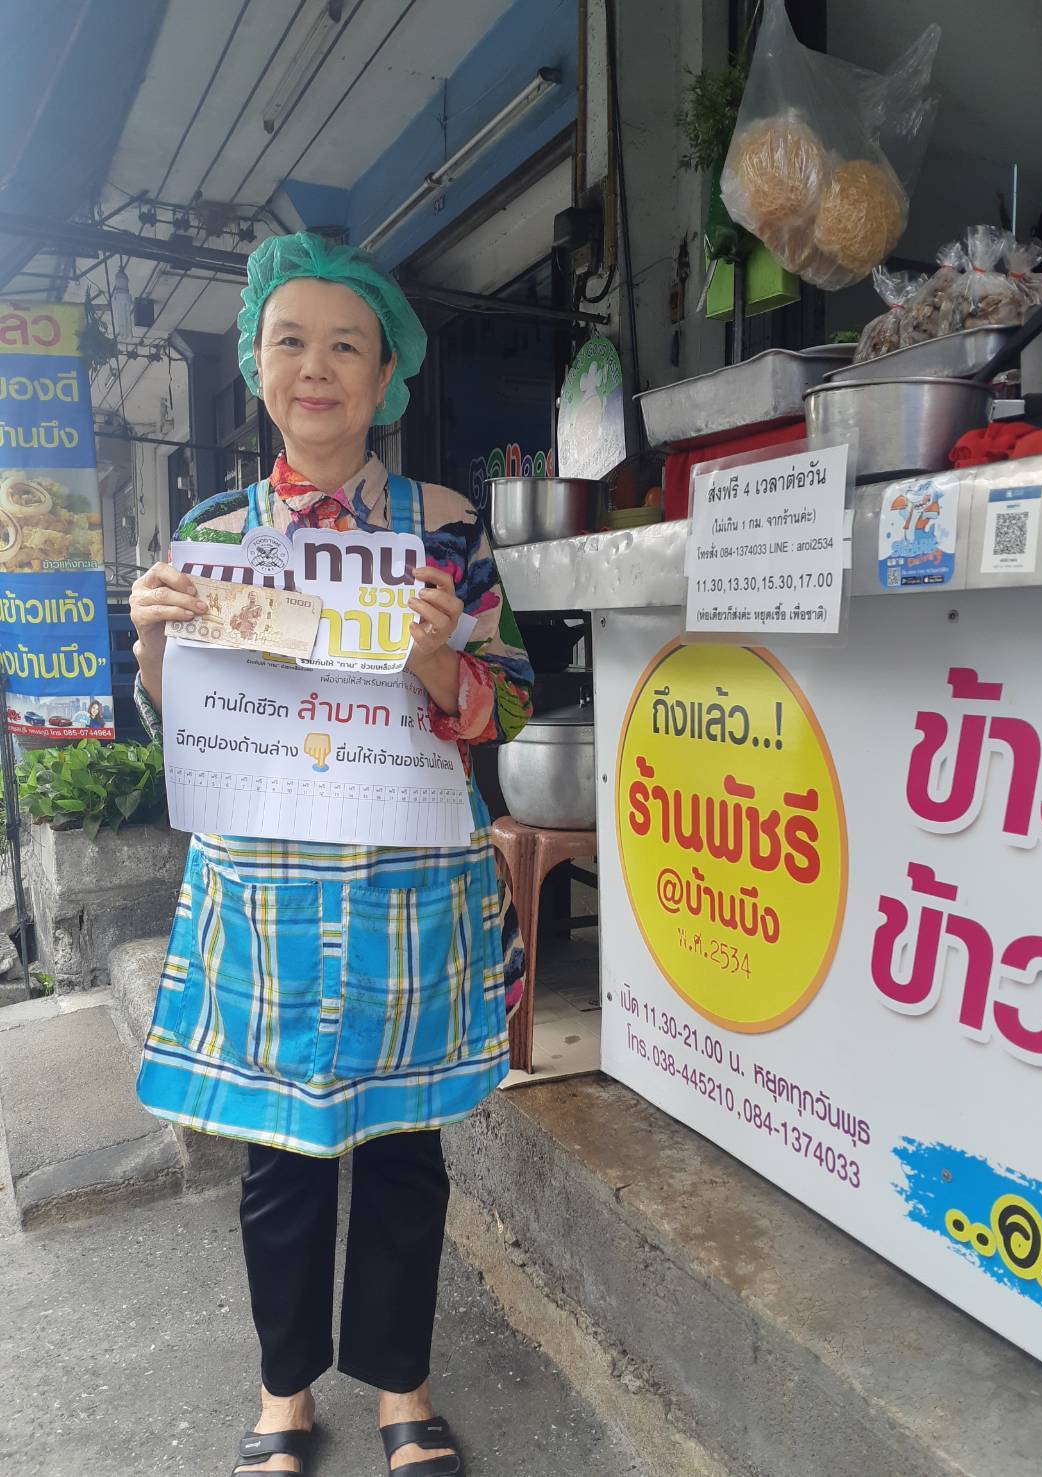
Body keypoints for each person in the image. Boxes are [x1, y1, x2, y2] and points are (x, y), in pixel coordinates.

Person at [128, 232, 533, 1477]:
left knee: (406, 1150)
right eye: (291, 341)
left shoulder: (444, 529)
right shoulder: (212, 534)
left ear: (385, 376)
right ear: (258, 365)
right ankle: (284, 1390)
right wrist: (153, 644)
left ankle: (404, 1386)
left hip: (406, 888)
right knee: (281, 1159)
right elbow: (187, 722)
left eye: (345, 345)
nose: (316, 367)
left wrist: (437, 655)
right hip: (266, 894)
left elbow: (510, 705)